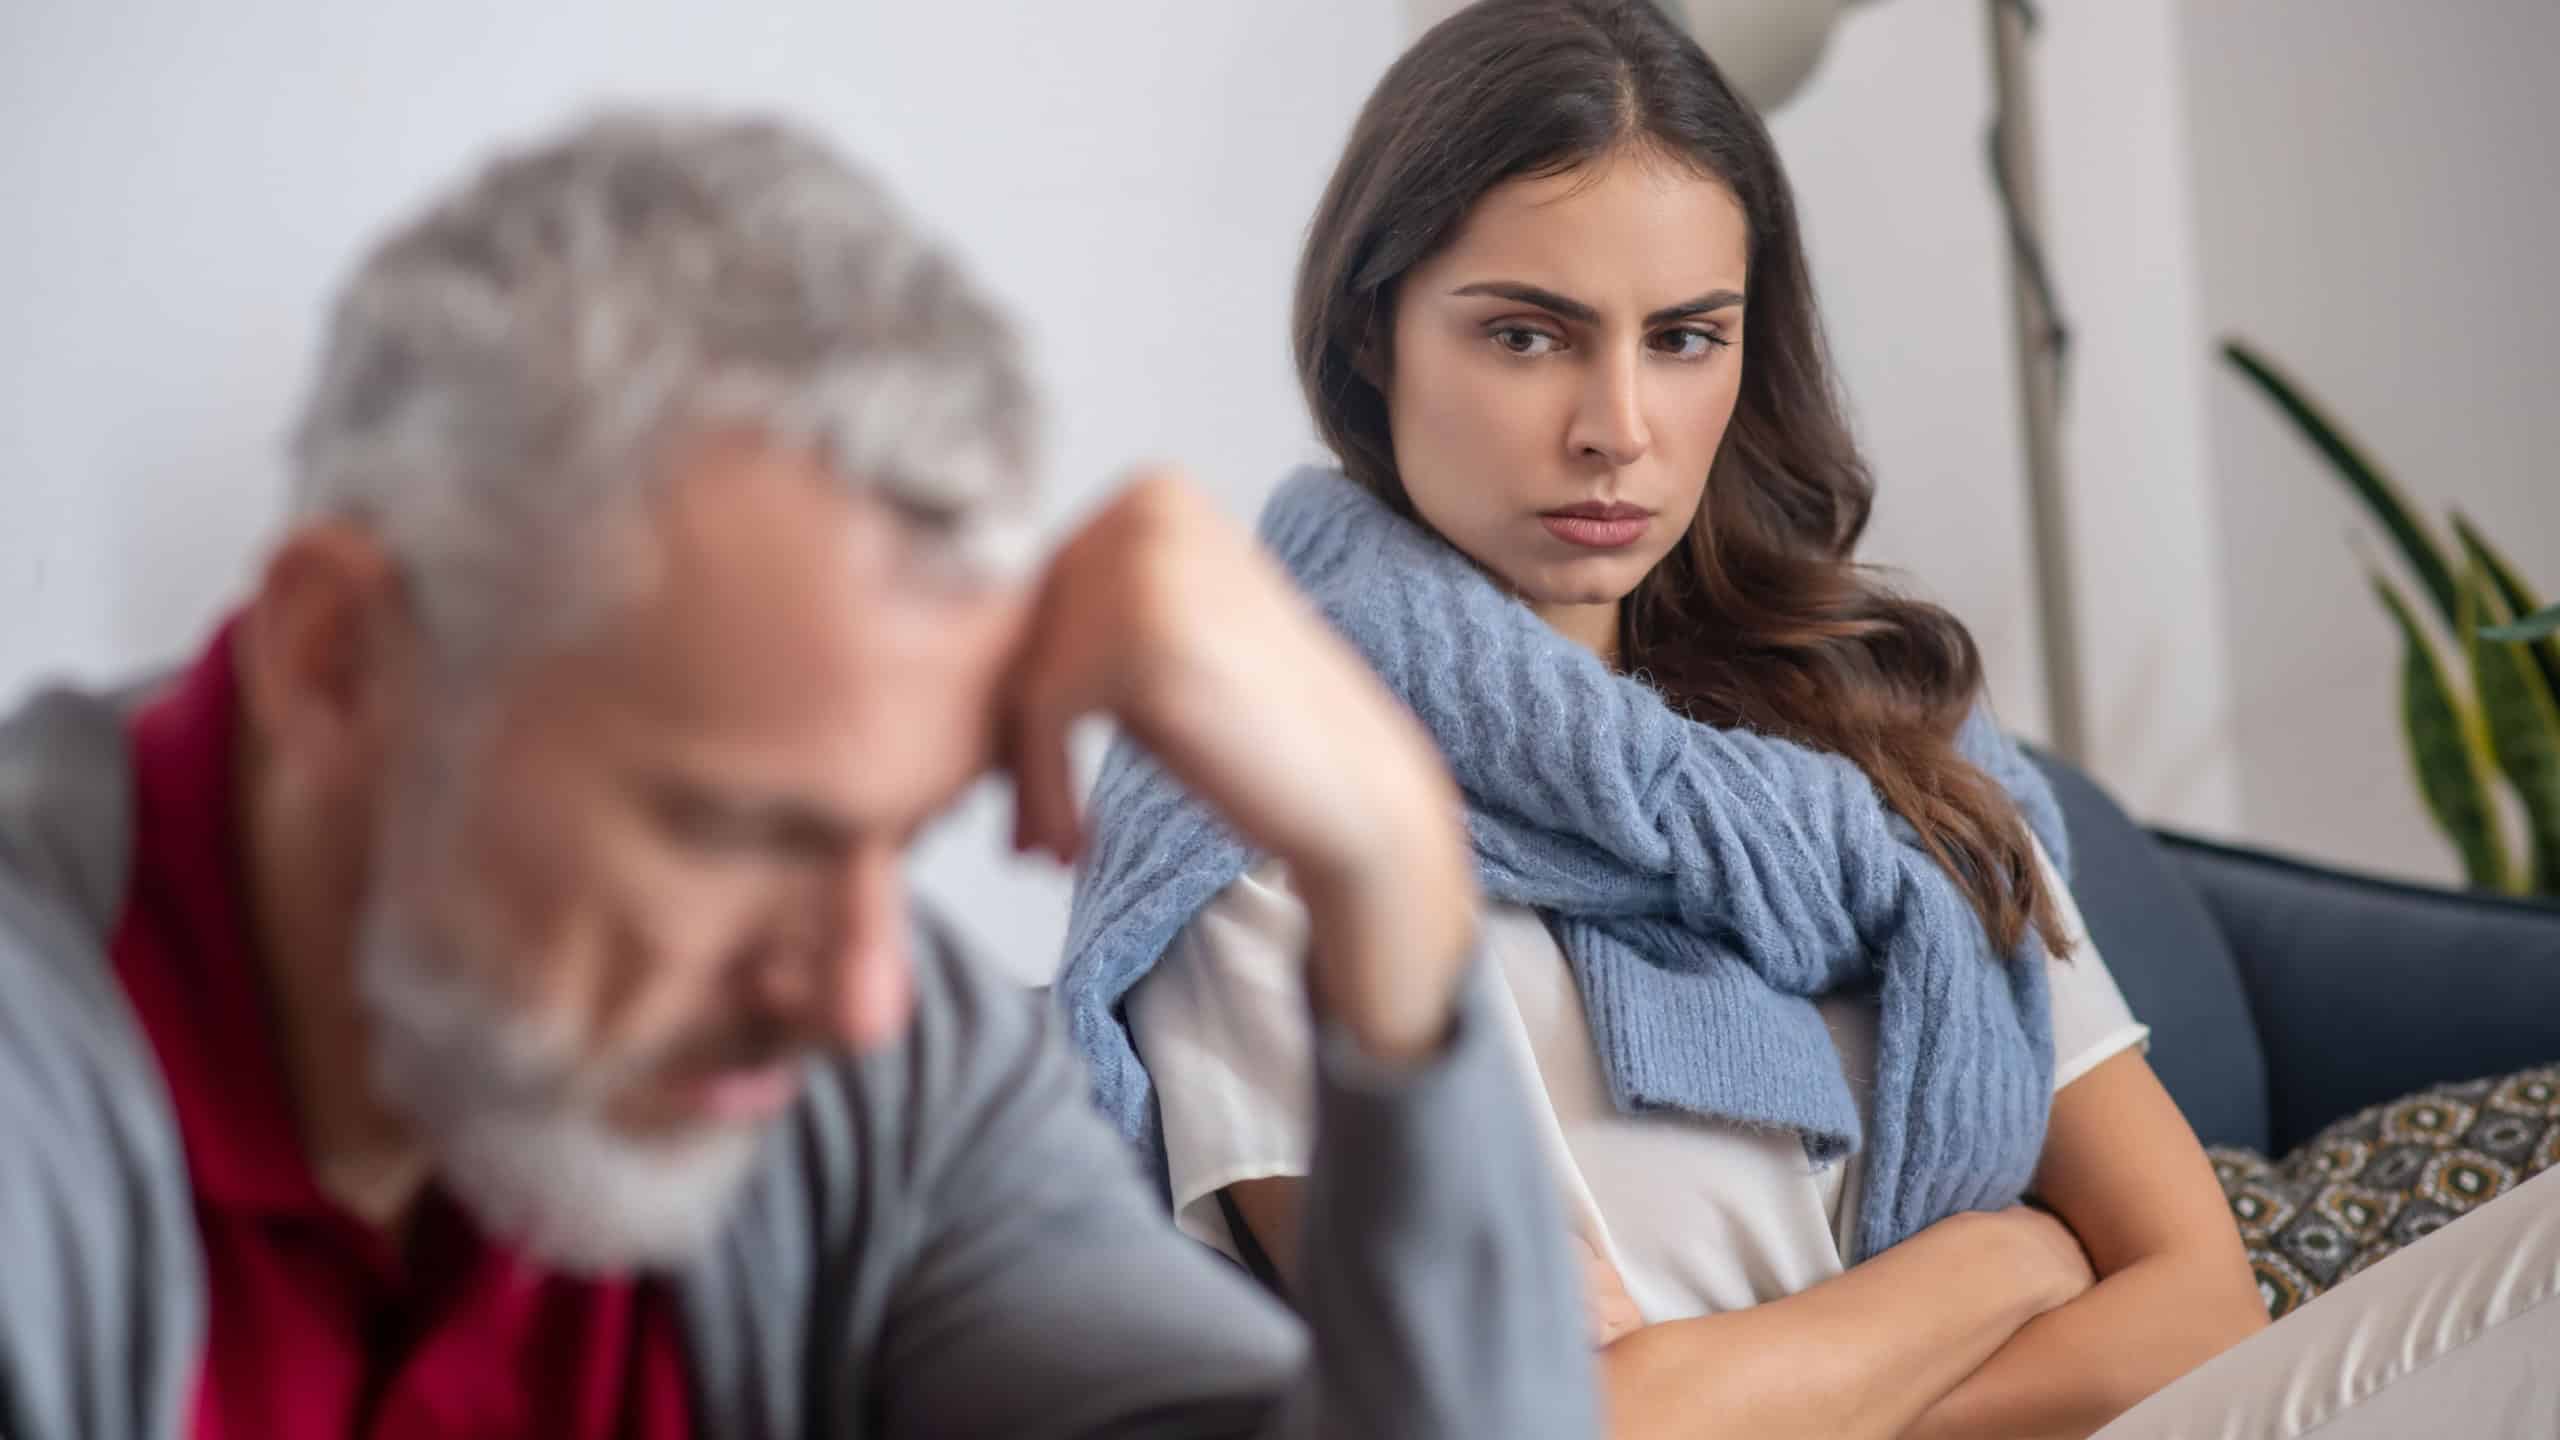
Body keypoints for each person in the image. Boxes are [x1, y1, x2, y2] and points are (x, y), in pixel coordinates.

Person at [1056, 3, 2560, 1438]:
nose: (1617, 428)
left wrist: (1780, 1396)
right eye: (1526, 335)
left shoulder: (1871, 737)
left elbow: (2199, 1305)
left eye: (1685, 338)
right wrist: (2006, 1264)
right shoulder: (1267, 821)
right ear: (1374, 335)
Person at [0, 111, 1599, 1439]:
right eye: (736, 830)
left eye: (901, 842)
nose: (856, 993)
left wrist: (1393, 867)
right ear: (336, 660)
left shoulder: (869, 1093)